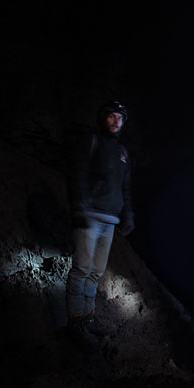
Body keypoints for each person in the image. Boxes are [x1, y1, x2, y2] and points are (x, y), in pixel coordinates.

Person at [64, 100, 135, 348]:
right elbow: (78, 174)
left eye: (120, 118)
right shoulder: (91, 142)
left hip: (110, 220)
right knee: (82, 269)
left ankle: (89, 317)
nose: (116, 121)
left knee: (96, 272)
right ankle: (76, 321)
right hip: (91, 216)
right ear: (103, 119)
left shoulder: (123, 153)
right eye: (112, 116)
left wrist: (128, 215)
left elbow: (125, 188)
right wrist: (77, 208)